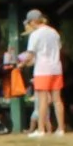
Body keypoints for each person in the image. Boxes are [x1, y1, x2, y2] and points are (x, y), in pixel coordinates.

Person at [24, 9, 64, 137]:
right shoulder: (54, 32)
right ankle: (61, 129)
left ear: (33, 21)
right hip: (56, 68)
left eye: (29, 22)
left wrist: (21, 64)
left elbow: (30, 56)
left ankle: (40, 130)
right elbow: (59, 48)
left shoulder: (35, 35)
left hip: (42, 70)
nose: (29, 25)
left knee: (42, 100)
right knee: (57, 100)